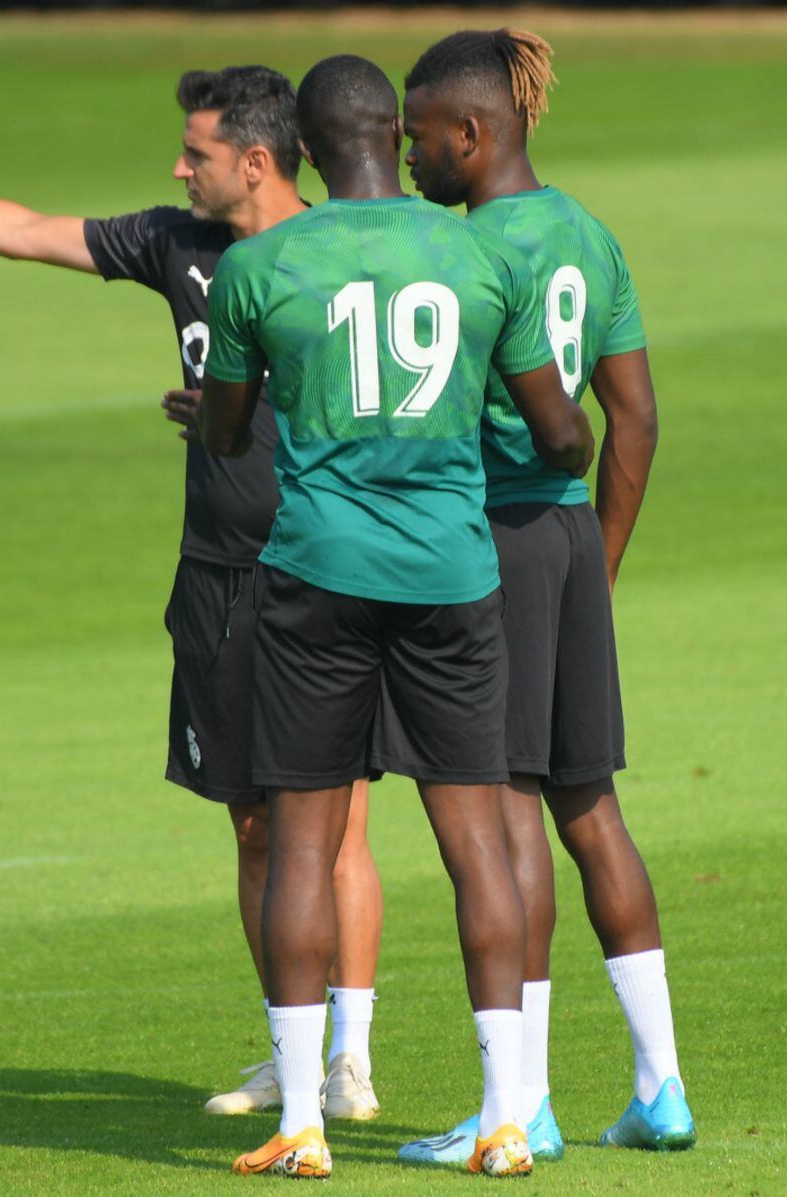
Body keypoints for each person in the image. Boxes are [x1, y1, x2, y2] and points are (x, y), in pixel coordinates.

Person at [0, 65, 383, 1120]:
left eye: (194, 150)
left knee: (338, 832)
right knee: (254, 827)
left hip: (328, 567)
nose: (177, 166)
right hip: (215, 576)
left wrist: (244, 407)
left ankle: (352, 1064)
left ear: (256, 159)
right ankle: (293, 1048)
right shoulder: (175, 242)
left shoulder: (344, 251)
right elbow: (25, 229)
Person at [200, 53, 593, 1180]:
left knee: (304, 845)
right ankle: (507, 1114)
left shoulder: (261, 264)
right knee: (479, 843)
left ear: (312, 151)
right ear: (392, 131)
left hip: (316, 577)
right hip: (451, 578)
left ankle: (306, 1123)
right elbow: (560, 434)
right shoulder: (477, 253)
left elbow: (229, 435)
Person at [397, 28, 695, 1169]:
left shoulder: (467, 254)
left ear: (471, 136)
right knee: (591, 806)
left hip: (497, 540)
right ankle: (659, 1087)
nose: (410, 157)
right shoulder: (587, 229)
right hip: (569, 539)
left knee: (504, 810)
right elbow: (640, 418)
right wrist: (598, 567)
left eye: (421, 138)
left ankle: (517, 1108)